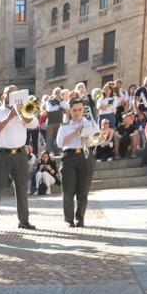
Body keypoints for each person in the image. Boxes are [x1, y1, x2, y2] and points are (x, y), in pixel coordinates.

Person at [0, 87, 34, 231]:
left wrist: (23, 113)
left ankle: (24, 221)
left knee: (22, 188)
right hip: (0, 155)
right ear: (3, 97)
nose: (13, 97)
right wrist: (10, 116)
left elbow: (34, 123)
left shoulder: (25, 109)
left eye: (16, 94)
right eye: (10, 94)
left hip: (19, 154)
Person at [56, 98, 100, 228]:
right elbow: (60, 143)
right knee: (68, 191)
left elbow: (98, 139)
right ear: (70, 111)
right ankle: (69, 220)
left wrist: (89, 135)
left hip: (86, 156)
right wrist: (77, 132)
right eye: (74, 110)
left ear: (83, 110)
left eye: (80, 110)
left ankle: (80, 219)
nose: (77, 113)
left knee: (83, 191)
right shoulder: (65, 126)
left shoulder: (90, 123)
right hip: (69, 157)